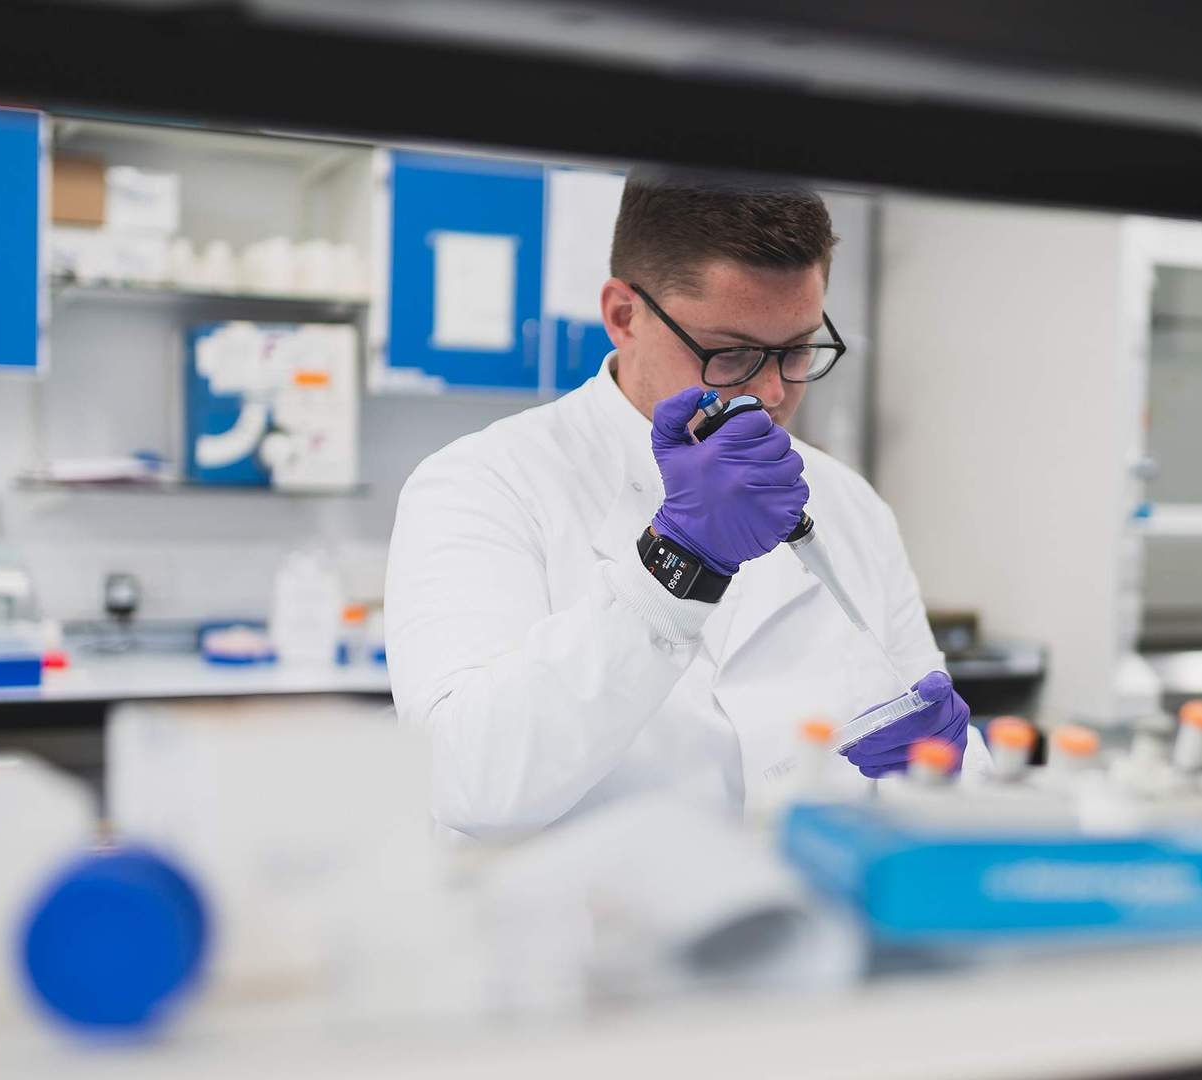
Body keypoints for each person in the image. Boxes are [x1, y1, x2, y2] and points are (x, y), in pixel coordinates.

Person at [385, 168, 981, 839]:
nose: (774, 393)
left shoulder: (852, 506)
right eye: (731, 355)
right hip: (575, 937)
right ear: (623, 316)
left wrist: (954, 776)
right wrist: (678, 564)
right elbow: (468, 783)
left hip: (805, 924)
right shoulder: (483, 484)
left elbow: (922, 740)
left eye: (798, 351)